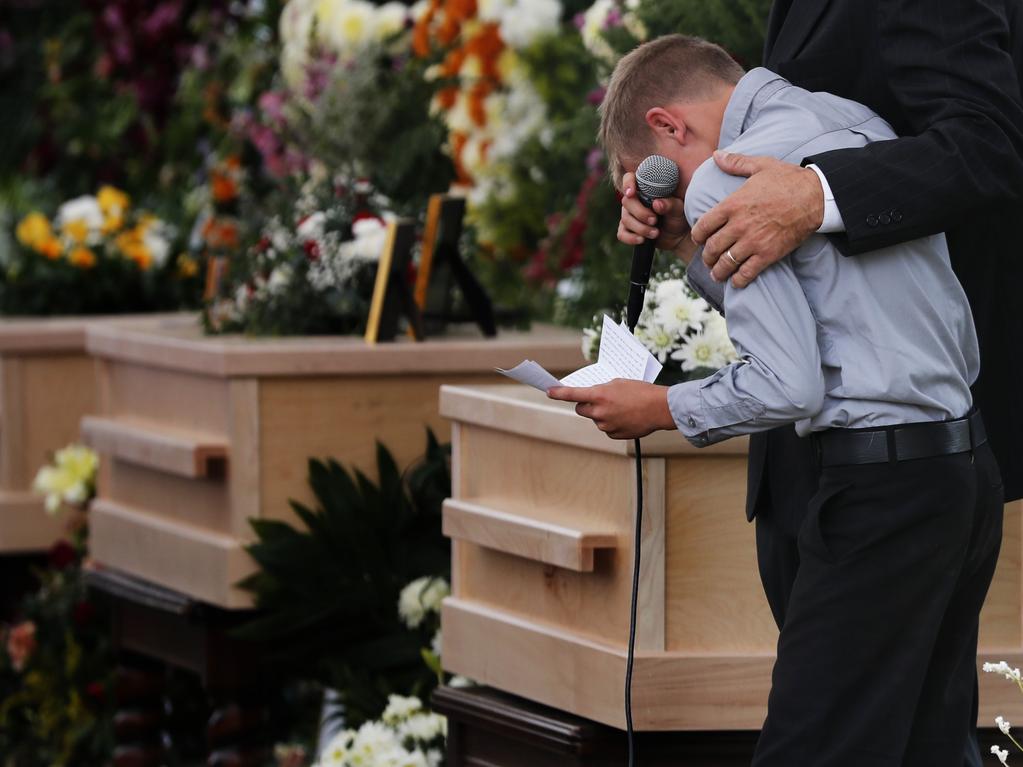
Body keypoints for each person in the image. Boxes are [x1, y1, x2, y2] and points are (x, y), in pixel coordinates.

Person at [548, 34, 1003, 766]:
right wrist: (690, 248)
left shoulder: (719, 180)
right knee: (928, 747)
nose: (659, 195)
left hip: (876, 494)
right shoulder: (849, 119)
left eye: (644, 176)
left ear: (666, 126)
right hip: (961, 472)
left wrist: (659, 407)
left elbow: (787, 381)